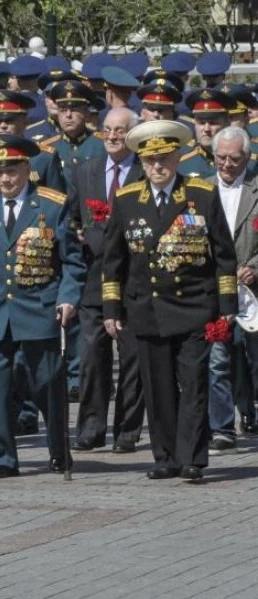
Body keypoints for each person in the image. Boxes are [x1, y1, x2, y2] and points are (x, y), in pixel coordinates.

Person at [102, 119, 238, 483]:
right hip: (148, 309)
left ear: (178, 157)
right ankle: (166, 456)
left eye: (164, 158)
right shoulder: (127, 199)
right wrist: (112, 310)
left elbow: (224, 256)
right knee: (157, 386)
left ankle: (193, 457)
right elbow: (113, 260)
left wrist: (226, 310)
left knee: (193, 384)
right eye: (150, 161)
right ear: (141, 163)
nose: (158, 167)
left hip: (195, 307)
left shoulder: (200, 194)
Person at [0, 134, 83, 478]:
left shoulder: (51, 204)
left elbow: (72, 262)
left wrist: (67, 297)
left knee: (46, 383)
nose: (5, 179)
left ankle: (59, 449)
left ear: (27, 169)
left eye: (12, 171)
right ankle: (2, 458)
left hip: (38, 308)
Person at [68, 107, 146, 453]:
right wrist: (81, 236)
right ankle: (91, 427)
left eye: (120, 130)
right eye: (108, 130)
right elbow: (70, 219)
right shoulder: (87, 171)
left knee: (132, 360)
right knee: (92, 358)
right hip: (94, 281)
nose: (113, 136)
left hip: (133, 282)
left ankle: (127, 432)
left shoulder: (146, 172)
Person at [206, 126, 258, 454]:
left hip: (253, 290)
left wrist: (255, 266)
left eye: (234, 159)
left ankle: (251, 413)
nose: (227, 164)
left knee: (254, 359)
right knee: (217, 359)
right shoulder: (200, 189)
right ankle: (222, 427)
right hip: (213, 291)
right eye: (221, 158)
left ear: (248, 158)